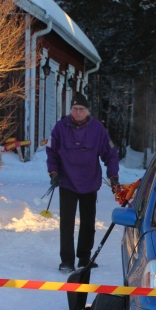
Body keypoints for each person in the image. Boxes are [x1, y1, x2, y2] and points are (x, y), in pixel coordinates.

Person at [46, 92, 120, 272]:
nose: (77, 112)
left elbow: (110, 153)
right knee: (67, 224)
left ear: (87, 111)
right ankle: (67, 261)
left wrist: (113, 176)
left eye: (81, 109)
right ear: (70, 110)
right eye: (74, 109)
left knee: (88, 223)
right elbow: (51, 151)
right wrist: (53, 172)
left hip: (89, 182)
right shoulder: (60, 128)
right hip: (67, 182)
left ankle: (84, 258)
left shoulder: (97, 129)